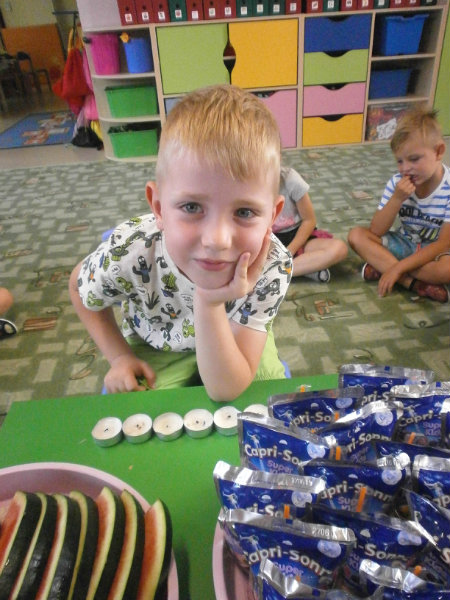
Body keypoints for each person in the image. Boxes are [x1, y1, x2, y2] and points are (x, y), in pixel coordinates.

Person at [69, 84, 292, 401]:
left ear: (272, 216)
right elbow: (78, 285)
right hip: (157, 346)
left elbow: (224, 389)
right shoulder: (131, 250)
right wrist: (118, 356)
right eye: (191, 207)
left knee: (262, 406)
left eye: (244, 212)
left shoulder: (272, 264)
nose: (216, 240)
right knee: (140, 412)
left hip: (236, 334)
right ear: (159, 207)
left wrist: (209, 302)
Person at [348, 107, 450, 303]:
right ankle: (412, 284)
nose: (405, 169)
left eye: (414, 159)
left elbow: (444, 243)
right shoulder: (396, 183)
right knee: (356, 236)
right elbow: (376, 230)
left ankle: (385, 266)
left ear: (438, 152)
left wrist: (396, 267)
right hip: (405, 243)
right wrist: (396, 199)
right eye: (400, 161)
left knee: (447, 270)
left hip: (435, 253)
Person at [273, 166, 348, 282]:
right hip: (267, 241)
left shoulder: (291, 179)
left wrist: (289, 251)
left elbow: (309, 220)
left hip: (299, 236)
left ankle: (276, 273)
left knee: (339, 248)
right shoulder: (245, 183)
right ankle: (305, 268)